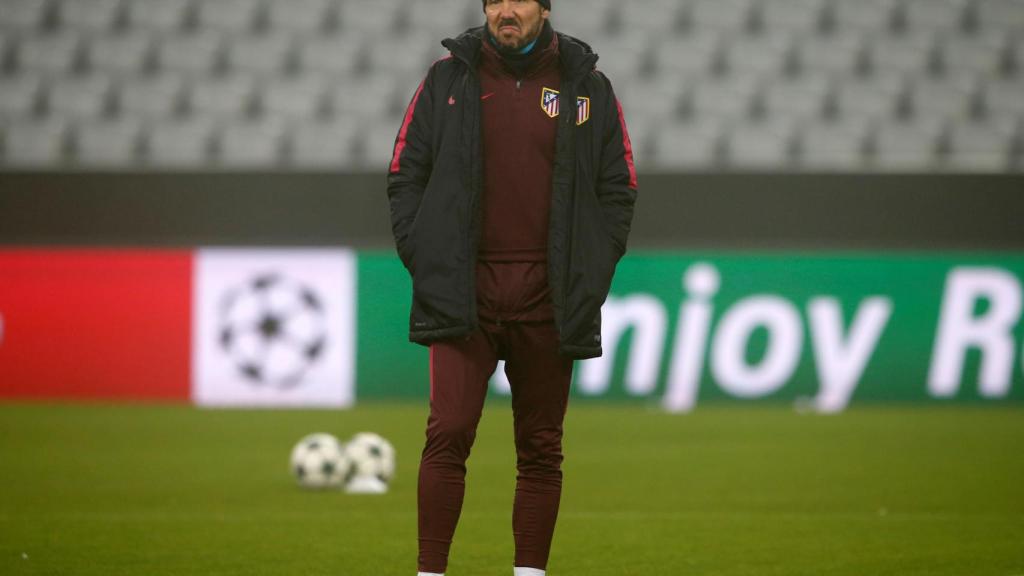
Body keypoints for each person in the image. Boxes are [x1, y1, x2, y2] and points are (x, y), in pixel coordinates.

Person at [387, 1, 637, 574]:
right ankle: (430, 572)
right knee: (448, 433)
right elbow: (405, 172)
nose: (505, 10)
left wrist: (590, 272)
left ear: (544, 9)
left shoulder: (588, 86)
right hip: (463, 292)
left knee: (541, 447)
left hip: (549, 297)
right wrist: (425, 257)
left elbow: (618, 186)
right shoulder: (446, 80)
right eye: (494, 0)